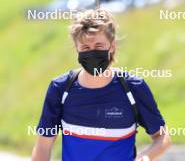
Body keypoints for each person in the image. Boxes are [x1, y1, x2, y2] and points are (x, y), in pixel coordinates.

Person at [31, 9, 171, 161]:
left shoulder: (133, 87)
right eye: (85, 48)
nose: (92, 52)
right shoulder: (60, 89)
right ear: (76, 48)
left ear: (112, 46)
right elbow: (43, 147)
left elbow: (162, 137)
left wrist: (144, 158)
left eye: (98, 46)